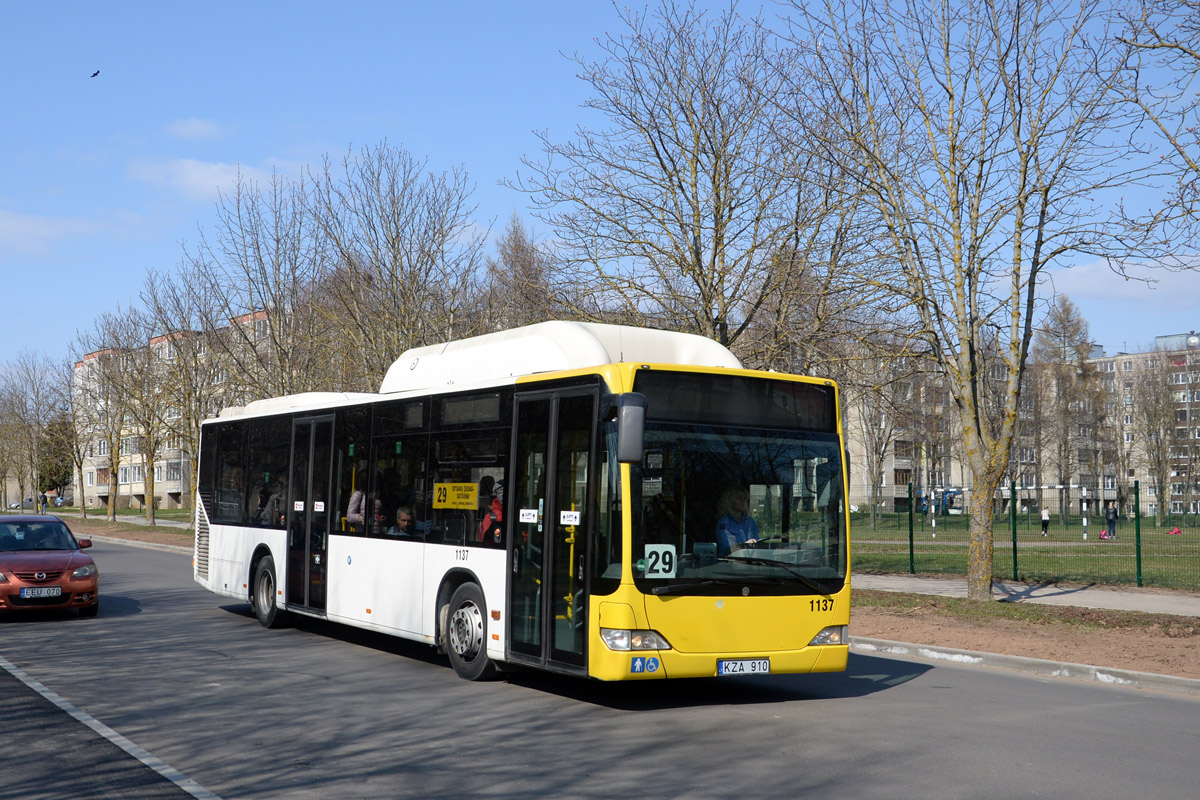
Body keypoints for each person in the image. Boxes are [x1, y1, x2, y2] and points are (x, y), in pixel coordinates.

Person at [716, 485, 758, 556]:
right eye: (739, 498)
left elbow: (757, 543)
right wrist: (745, 545)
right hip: (729, 563)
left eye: (745, 498)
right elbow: (728, 550)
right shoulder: (724, 523)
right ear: (730, 501)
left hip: (751, 562)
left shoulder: (750, 521)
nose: (743, 501)